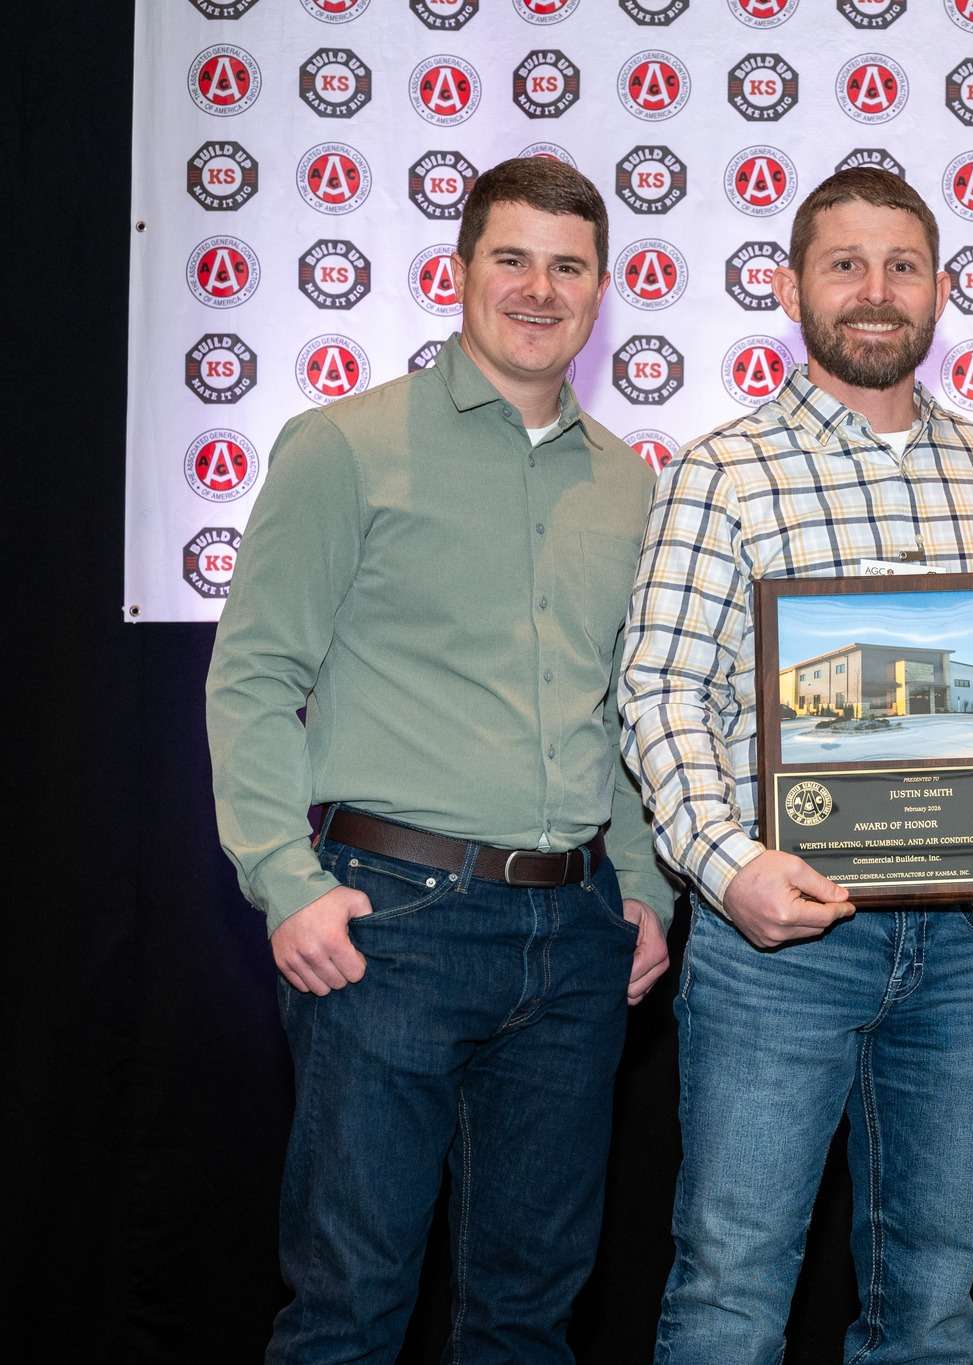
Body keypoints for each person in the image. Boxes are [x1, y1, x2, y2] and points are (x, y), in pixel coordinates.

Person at [205, 157, 673, 1363]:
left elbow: (624, 707)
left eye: (567, 266)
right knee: (349, 1310)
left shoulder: (629, 486)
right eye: (510, 258)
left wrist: (643, 888)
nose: (538, 288)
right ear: (457, 272)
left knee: (528, 1316)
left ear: (601, 290)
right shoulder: (343, 446)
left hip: (576, 938)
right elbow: (252, 677)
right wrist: (285, 880)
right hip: (389, 927)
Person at [619, 168, 973, 1365]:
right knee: (731, 1285)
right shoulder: (721, 469)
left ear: (941, 291)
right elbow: (659, 690)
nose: (874, 291)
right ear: (789, 287)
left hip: (967, 944)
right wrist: (726, 868)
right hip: (781, 942)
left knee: (932, 1300)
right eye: (844, 265)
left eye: (901, 267)